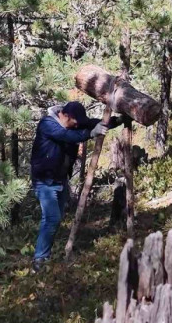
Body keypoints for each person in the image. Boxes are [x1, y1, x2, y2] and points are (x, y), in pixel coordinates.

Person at [30, 101, 119, 272]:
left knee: (56, 217)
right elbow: (66, 136)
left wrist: (118, 120)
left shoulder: (74, 122)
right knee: (51, 218)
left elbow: (97, 122)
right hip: (45, 181)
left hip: (60, 180)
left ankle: (45, 255)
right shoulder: (47, 124)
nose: (78, 124)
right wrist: (90, 133)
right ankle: (39, 260)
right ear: (66, 115)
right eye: (75, 121)